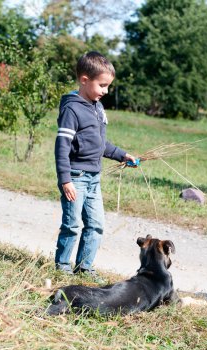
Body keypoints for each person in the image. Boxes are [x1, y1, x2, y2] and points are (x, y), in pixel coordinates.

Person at [54, 51, 136, 277]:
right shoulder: (72, 109)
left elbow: (100, 144)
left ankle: (85, 267)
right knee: (72, 224)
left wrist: (122, 155)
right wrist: (66, 180)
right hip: (76, 177)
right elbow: (62, 146)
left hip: (93, 179)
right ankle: (62, 267)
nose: (106, 91)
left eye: (108, 86)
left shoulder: (97, 107)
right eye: (102, 85)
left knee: (96, 224)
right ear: (84, 80)